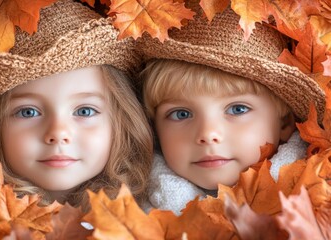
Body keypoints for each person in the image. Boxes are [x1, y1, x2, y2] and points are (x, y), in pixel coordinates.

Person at [0, 0, 153, 210]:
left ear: (122, 121)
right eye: (28, 112)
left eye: (85, 111)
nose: (58, 133)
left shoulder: (153, 211)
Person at [138, 4, 325, 215]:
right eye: (181, 114)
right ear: (155, 128)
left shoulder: (319, 201)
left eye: (237, 109)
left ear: (284, 122)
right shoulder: (127, 215)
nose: (208, 134)